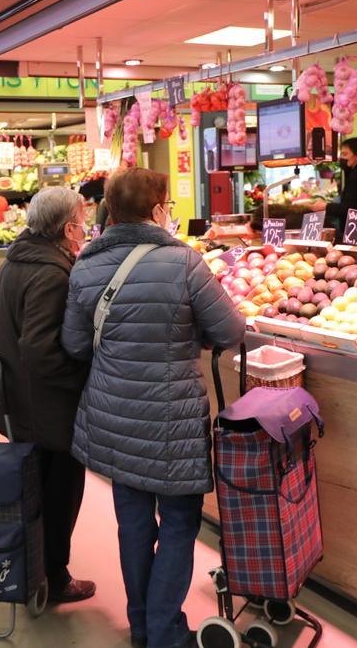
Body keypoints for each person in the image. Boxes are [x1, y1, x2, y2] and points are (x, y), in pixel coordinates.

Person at [62, 167, 245, 648]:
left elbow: (75, 344)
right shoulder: (185, 262)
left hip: (114, 418)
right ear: (157, 207)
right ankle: (165, 631)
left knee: (134, 525)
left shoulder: (85, 265)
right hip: (172, 420)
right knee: (181, 523)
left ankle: (143, 626)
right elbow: (230, 332)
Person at [0, 186, 95, 604]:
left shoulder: (18, 260)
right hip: (48, 409)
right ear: (69, 227)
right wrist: (82, 378)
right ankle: (54, 576)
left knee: (37, 493)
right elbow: (40, 349)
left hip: (21, 400)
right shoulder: (52, 273)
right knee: (60, 493)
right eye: (82, 221)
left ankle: (36, 569)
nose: (85, 229)